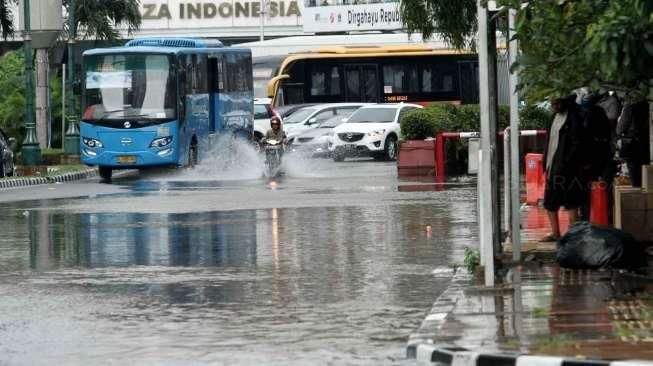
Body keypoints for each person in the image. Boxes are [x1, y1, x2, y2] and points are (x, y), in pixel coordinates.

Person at [540, 95, 591, 242]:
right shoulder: (554, 117)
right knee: (550, 201)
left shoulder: (574, 117)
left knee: (571, 201)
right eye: (552, 103)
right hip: (552, 166)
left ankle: (574, 235)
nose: (553, 106)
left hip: (568, 168)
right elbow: (550, 141)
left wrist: (567, 162)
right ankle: (555, 233)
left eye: (556, 103)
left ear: (563, 102)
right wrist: (546, 163)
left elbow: (577, 144)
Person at [617, 100, 651, 187]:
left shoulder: (629, 107)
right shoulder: (648, 106)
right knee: (647, 175)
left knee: (635, 175)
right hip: (647, 144)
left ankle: (637, 192)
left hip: (632, 144)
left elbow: (620, 129)